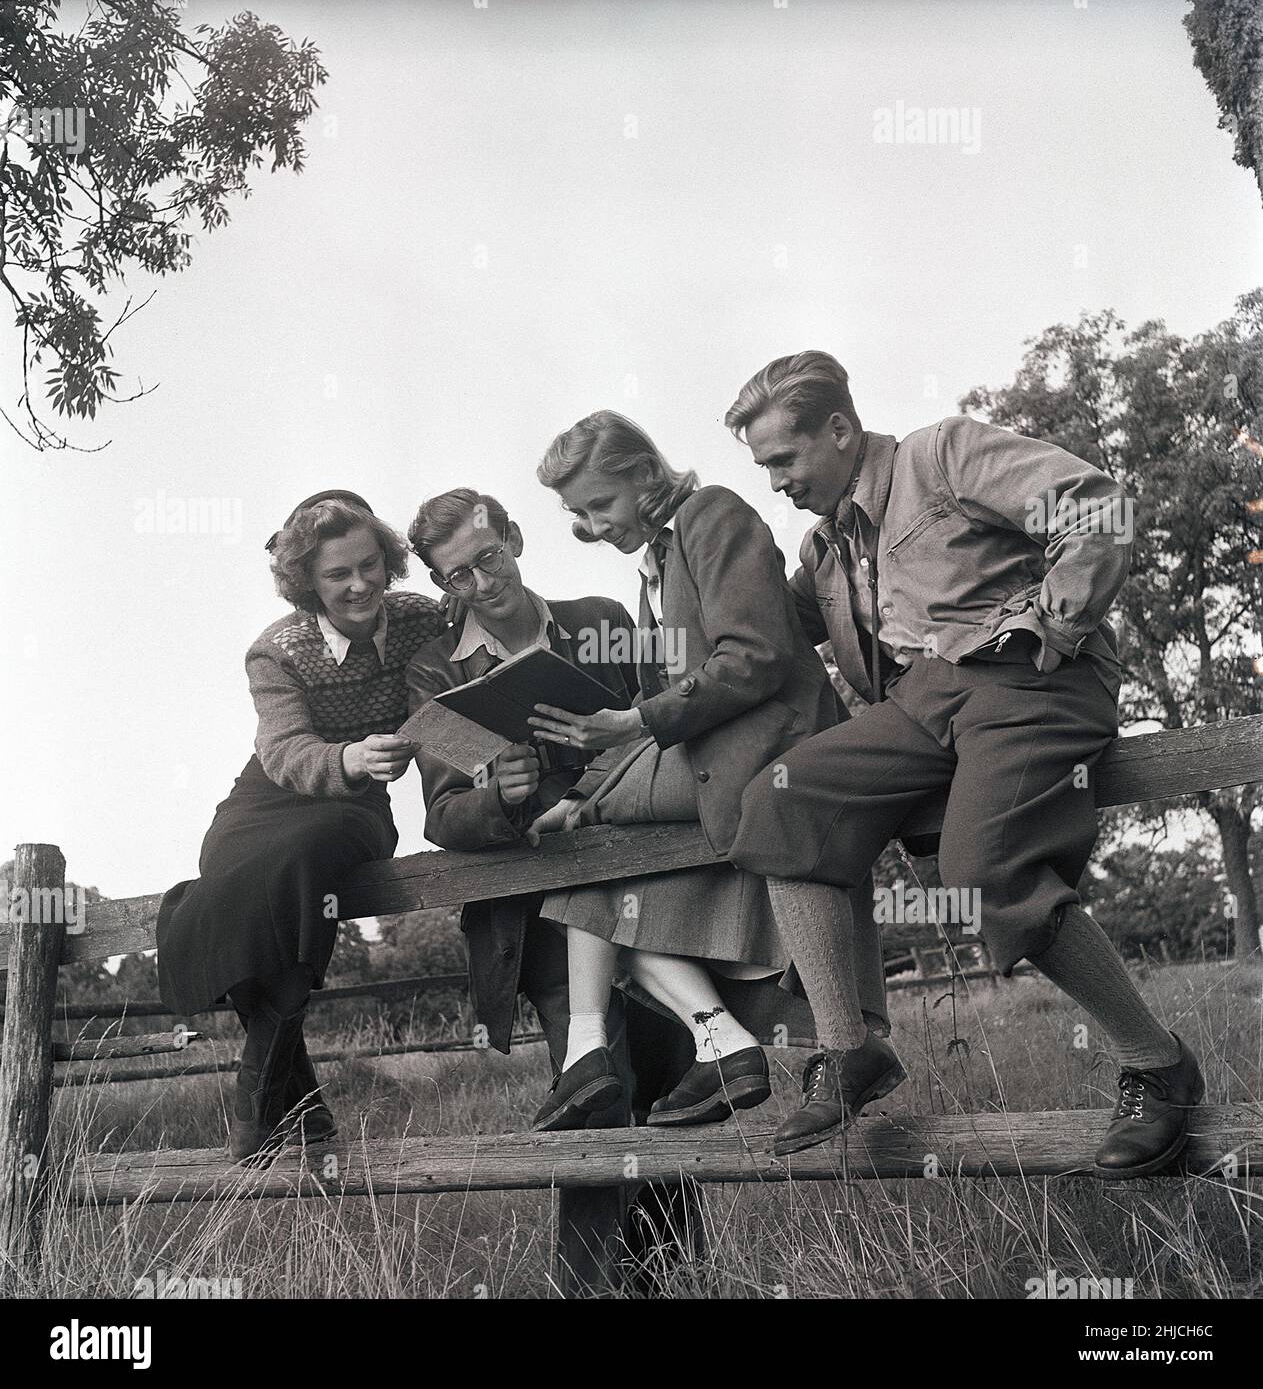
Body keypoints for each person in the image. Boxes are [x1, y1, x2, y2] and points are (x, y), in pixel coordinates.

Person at [725, 350, 1203, 1174]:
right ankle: (850, 1053)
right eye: (763, 466)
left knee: (981, 869)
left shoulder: (939, 455)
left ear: (838, 429)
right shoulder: (826, 553)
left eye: (782, 459)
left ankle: (1157, 1067)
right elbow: (759, 638)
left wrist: (1051, 625)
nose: (776, 482)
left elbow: (1098, 505)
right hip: (924, 704)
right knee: (780, 801)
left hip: (1032, 677)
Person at [528, 410, 895, 1133]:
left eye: (599, 504)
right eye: (577, 513)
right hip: (709, 754)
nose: (593, 525)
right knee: (589, 865)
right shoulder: (654, 566)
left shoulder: (712, 515)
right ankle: (711, 1041)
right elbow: (669, 688)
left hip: (766, 751)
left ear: (642, 474)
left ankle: (597, 1051)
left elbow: (753, 654)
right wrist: (581, 784)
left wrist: (632, 727)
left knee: (584, 857)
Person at [157, 492, 445, 1162]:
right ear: (306, 584)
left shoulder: (421, 620)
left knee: (303, 860)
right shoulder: (275, 651)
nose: (359, 584)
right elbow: (283, 751)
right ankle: (306, 1110)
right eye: (336, 575)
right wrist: (349, 756)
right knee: (226, 873)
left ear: (388, 559)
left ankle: (257, 1097)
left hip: (353, 810)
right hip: (268, 799)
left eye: (370, 565)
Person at [404, 487, 697, 1127]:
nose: (482, 582)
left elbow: (671, 729)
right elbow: (444, 814)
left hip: (647, 889)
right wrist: (497, 798)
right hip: (538, 918)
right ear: (440, 582)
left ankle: (671, 1237)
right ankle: (593, 1236)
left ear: (513, 537)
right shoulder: (436, 673)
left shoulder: (603, 622)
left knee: (674, 1090)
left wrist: (603, 760)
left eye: (489, 556)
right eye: (459, 575)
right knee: (596, 1098)